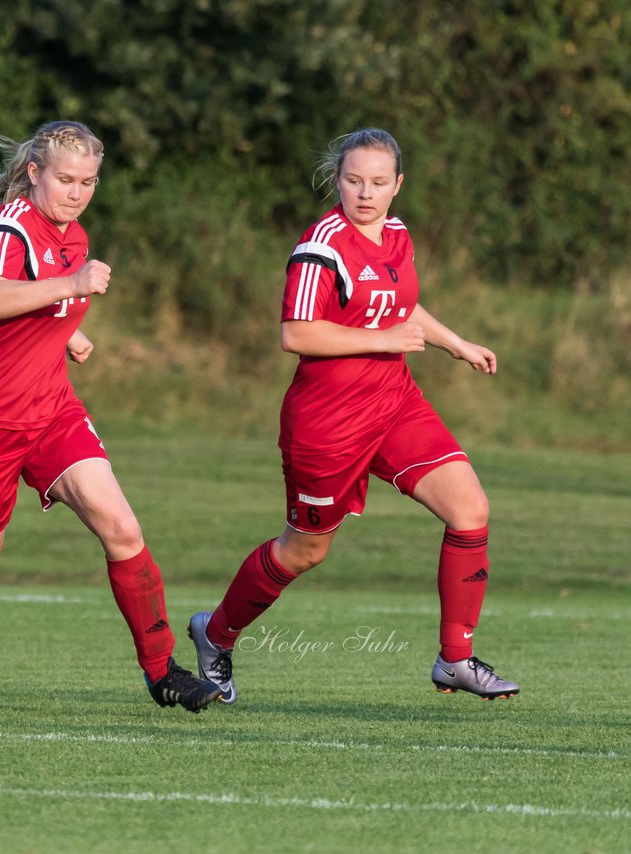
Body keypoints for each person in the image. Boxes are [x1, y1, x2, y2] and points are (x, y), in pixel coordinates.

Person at [0, 120, 222, 714]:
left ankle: (162, 671)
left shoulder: (74, 234)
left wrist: (70, 330)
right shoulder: (8, 226)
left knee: (123, 530)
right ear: (36, 173)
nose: (76, 192)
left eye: (89, 181)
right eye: (65, 179)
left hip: (50, 412)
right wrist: (70, 285)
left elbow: (39, 297)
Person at [188, 128, 519, 702]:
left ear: (398, 186)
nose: (364, 193)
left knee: (470, 509)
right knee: (305, 550)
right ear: (337, 180)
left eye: (378, 182)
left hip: (394, 403)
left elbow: (401, 304)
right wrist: (382, 337)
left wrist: (456, 343)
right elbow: (296, 333)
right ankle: (215, 635)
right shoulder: (322, 246)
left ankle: (455, 659)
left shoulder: (396, 235)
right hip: (328, 422)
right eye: (352, 180)